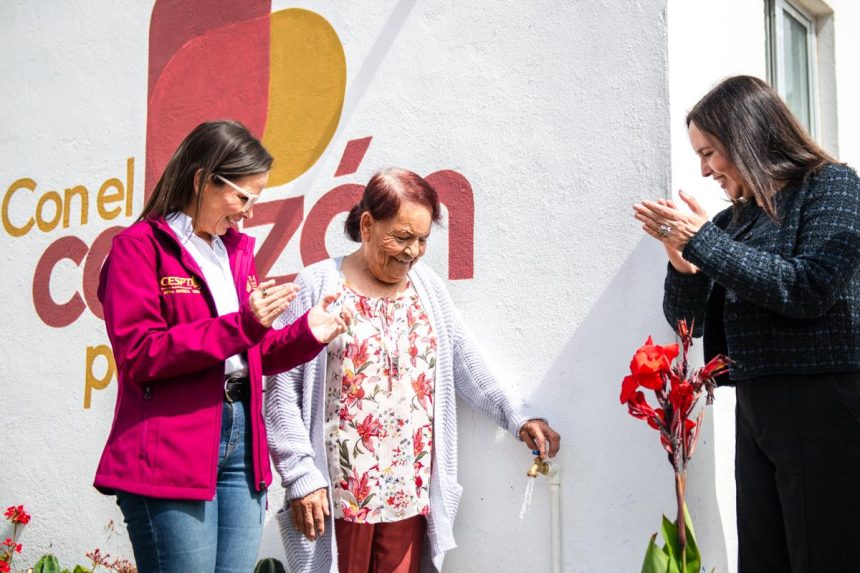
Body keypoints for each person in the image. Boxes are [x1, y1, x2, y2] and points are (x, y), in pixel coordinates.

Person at [265, 168, 561, 573]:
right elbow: (281, 394)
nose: (412, 252)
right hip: (336, 497)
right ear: (367, 224)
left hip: (407, 492)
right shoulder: (318, 286)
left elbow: (466, 362)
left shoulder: (428, 289)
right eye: (402, 237)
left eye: (422, 240)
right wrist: (300, 474)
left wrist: (518, 416)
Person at [93, 120, 349, 573]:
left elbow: (256, 352)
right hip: (171, 446)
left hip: (241, 444)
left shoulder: (233, 252)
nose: (249, 212)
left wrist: (310, 330)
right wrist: (242, 324)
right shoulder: (137, 248)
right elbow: (141, 354)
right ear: (201, 179)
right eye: (243, 197)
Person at [633, 75, 860, 572]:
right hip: (759, 408)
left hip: (824, 402)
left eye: (710, 152)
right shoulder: (737, 221)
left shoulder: (832, 186)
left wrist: (705, 245)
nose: (705, 168)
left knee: (827, 555)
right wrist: (684, 264)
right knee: (763, 559)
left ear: (748, 137)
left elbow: (809, 288)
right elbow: (689, 321)